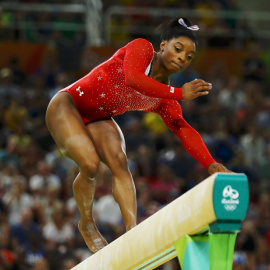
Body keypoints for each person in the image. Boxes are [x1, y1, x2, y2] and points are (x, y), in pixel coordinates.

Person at [45, 17, 232, 253]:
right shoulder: (142, 48)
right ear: (163, 45)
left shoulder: (166, 98)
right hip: (68, 103)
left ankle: (132, 233)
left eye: (189, 56)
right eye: (178, 49)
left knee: (120, 163)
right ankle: (87, 223)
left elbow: (182, 128)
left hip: (100, 118)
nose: (182, 58)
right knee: (91, 165)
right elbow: (133, 79)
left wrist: (211, 163)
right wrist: (178, 92)